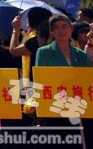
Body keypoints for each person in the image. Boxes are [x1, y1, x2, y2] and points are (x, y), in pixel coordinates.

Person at [35, 14, 90, 148]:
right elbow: (41, 81)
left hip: (78, 107)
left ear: (71, 29)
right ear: (52, 31)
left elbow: (87, 81)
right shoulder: (43, 52)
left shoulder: (81, 55)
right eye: (56, 28)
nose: (61, 31)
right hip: (55, 107)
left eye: (64, 27)